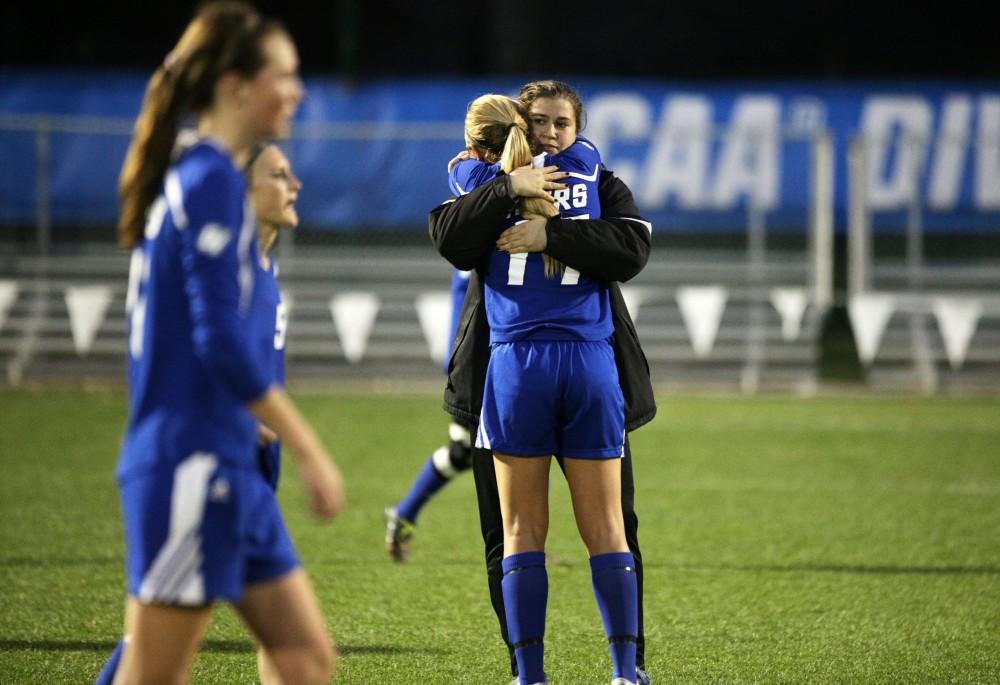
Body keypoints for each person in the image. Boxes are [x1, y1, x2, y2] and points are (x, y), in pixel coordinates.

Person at [95, 4, 343, 685]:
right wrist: (309, 447)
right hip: (189, 464)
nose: (296, 90)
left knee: (305, 657)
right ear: (236, 85)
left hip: (228, 466)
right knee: (149, 673)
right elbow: (220, 344)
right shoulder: (208, 181)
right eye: (283, 75)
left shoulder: (215, 184)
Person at [428, 81, 656, 685]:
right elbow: (632, 243)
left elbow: (452, 225)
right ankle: (624, 674)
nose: (552, 133)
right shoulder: (592, 179)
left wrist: (508, 187)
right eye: (541, 123)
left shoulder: (481, 184)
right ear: (522, 128)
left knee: (520, 532)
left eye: (562, 123)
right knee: (607, 528)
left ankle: (530, 677)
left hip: (515, 364)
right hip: (588, 361)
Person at [383, 266, 474, 563]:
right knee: (469, 452)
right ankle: (522, 547)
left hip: (492, 353)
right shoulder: (484, 229)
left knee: (507, 449)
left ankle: (525, 545)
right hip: (474, 359)